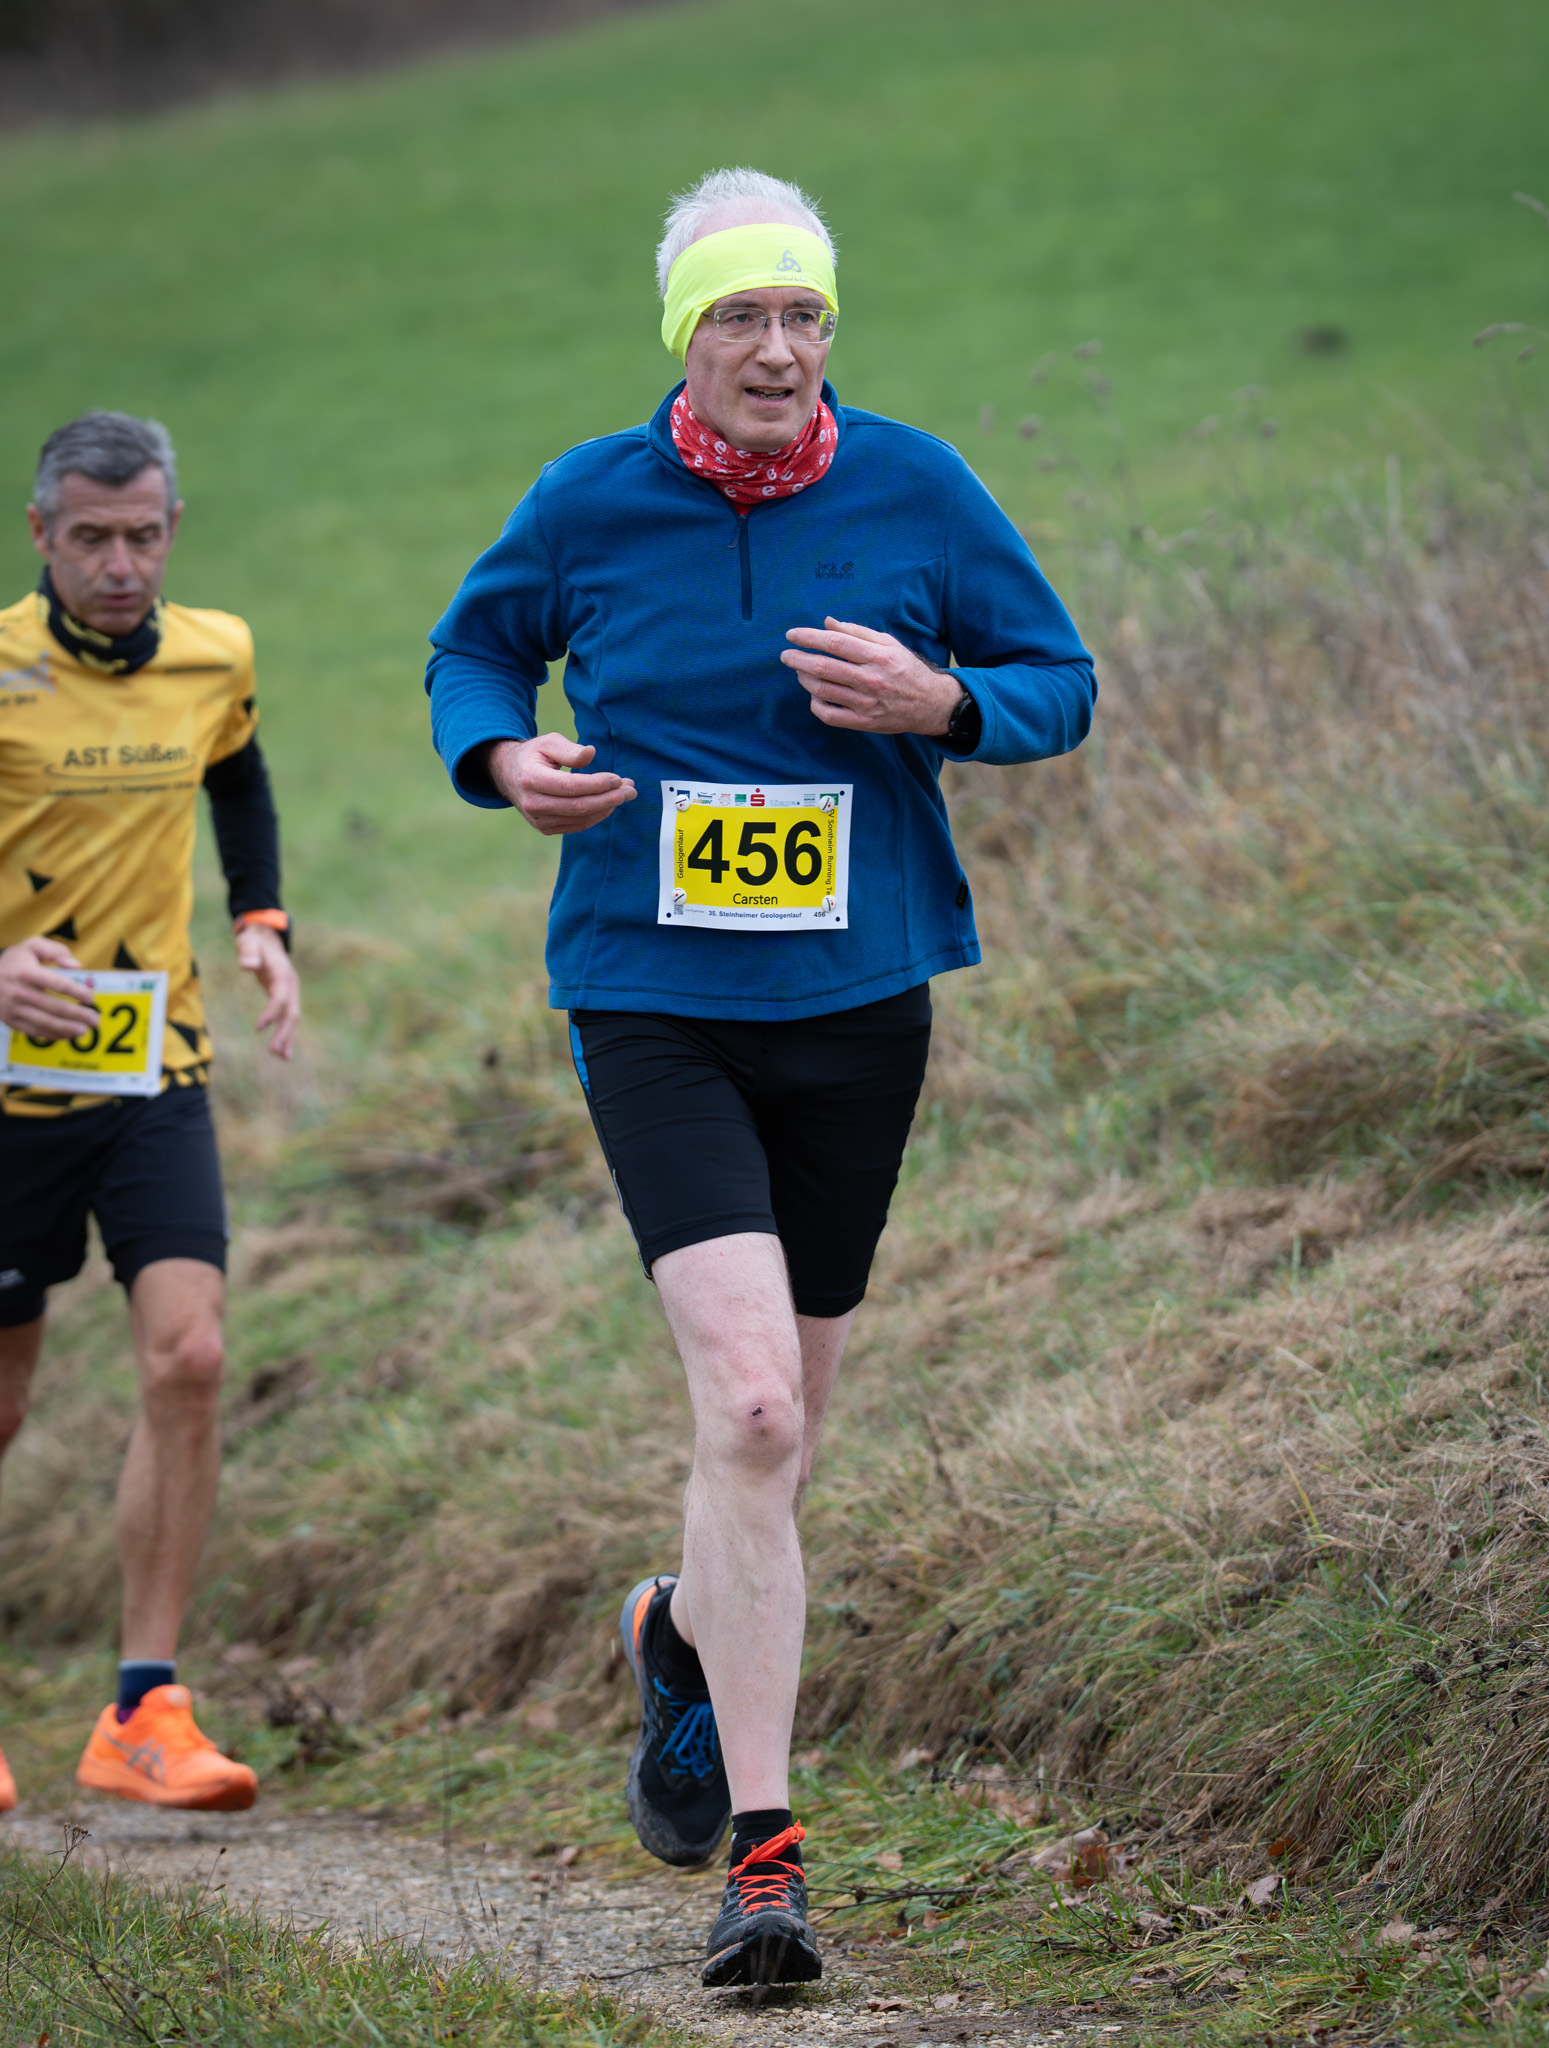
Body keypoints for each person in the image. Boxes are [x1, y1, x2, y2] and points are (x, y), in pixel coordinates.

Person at [425, 168, 1095, 1985]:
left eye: (803, 313)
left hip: (858, 1001)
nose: (778, 347)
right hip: (652, 1000)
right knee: (750, 1415)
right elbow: (474, 649)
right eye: (740, 314)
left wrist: (946, 705)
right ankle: (769, 1868)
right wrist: (504, 759)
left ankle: (673, 1633)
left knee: (780, 1446)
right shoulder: (587, 499)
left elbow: (1059, 677)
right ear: (685, 335)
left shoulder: (916, 488)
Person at [0, 411, 299, 1817]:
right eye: (90, 539)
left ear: (173, 529)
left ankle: (144, 1709)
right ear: (41, 535)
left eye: (142, 537)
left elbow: (236, 771)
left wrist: (262, 922)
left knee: (191, 1356)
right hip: (5, 1092)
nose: (120, 566)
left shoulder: (215, 652)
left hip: (151, 1072)